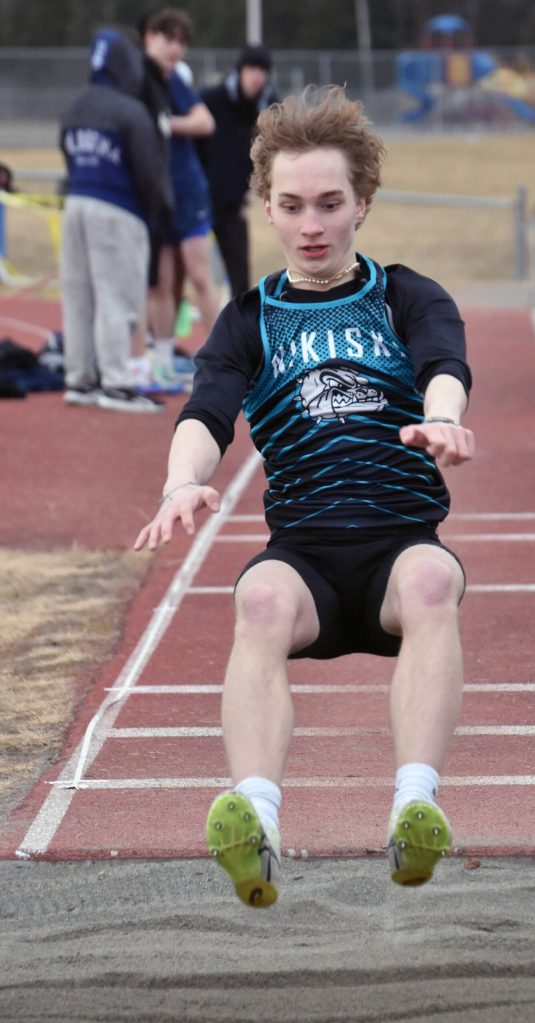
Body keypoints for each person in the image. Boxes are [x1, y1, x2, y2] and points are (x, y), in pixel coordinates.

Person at [134, 86, 474, 908]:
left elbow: (442, 366)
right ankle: (253, 819)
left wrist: (442, 422)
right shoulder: (249, 320)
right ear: (268, 207)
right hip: (308, 564)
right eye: (291, 205)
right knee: (255, 596)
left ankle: (414, 807)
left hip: (399, 549)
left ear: (363, 202)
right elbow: (207, 413)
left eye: (329, 203)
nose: (311, 224)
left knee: (435, 583)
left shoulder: (404, 295)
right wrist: (184, 481)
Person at [59, 28, 169, 412]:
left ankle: (79, 379)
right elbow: (150, 171)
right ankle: (117, 383)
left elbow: (67, 155)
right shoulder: (130, 110)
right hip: (118, 210)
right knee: (116, 295)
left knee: (78, 296)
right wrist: (157, 210)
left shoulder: (75, 105)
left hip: (74, 205)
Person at [142, 7, 220, 391]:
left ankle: (227, 360)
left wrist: (166, 125)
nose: (175, 48)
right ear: (149, 38)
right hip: (158, 196)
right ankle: (162, 361)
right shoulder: (142, 80)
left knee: (200, 276)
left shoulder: (174, 81)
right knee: (162, 282)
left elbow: (206, 123)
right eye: (168, 39)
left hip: (189, 193)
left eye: (181, 42)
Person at [198, 44, 279, 296]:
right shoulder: (211, 99)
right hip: (199, 200)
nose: (257, 77)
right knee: (193, 271)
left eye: (262, 71)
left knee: (240, 275)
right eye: (251, 69)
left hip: (233, 204)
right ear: (240, 71)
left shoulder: (268, 106)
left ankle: (239, 331)